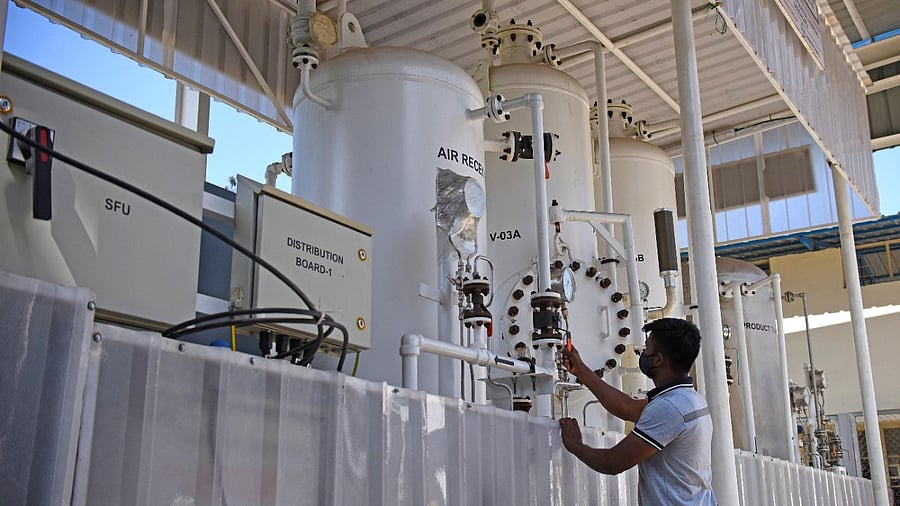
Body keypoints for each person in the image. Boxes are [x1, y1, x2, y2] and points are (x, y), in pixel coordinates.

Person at [559, 317, 716, 506]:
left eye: (646, 348)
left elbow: (612, 462)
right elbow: (627, 408)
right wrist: (581, 370)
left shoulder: (669, 408)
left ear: (657, 359)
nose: (643, 353)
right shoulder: (688, 399)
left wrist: (576, 446)